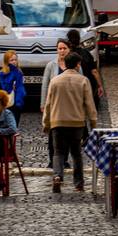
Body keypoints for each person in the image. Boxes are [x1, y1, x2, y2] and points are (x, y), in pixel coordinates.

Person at [42, 52, 97, 193]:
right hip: (77, 123)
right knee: (76, 153)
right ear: (78, 64)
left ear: (65, 64)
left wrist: (46, 123)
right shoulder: (83, 81)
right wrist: (93, 123)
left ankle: (57, 176)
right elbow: (90, 105)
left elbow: (48, 104)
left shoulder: (55, 81)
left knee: (58, 152)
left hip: (58, 122)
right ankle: (78, 184)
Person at [41, 38, 70, 168]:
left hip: (69, 105)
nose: (62, 51)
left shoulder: (74, 64)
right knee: (53, 133)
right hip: (54, 105)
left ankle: (64, 160)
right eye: (59, 48)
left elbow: (81, 82)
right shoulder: (51, 65)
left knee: (67, 133)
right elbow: (45, 85)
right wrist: (43, 103)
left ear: (69, 49)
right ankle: (52, 160)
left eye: (64, 48)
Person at [65, 28, 104, 109]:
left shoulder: (67, 55)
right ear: (79, 40)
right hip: (88, 85)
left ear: (68, 41)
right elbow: (94, 71)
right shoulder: (86, 53)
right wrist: (100, 85)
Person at [0, 50, 26, 126]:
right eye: (12, 60)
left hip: (17, 101)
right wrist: (12, 86)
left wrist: (20, 100)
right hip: (8, 101)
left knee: (15, 124)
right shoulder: (2, 73)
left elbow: (20, 86)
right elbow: (4, 87)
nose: (14, 62)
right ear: (7, 61)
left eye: (15, 60)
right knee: (7, 123)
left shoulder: (19, 72)